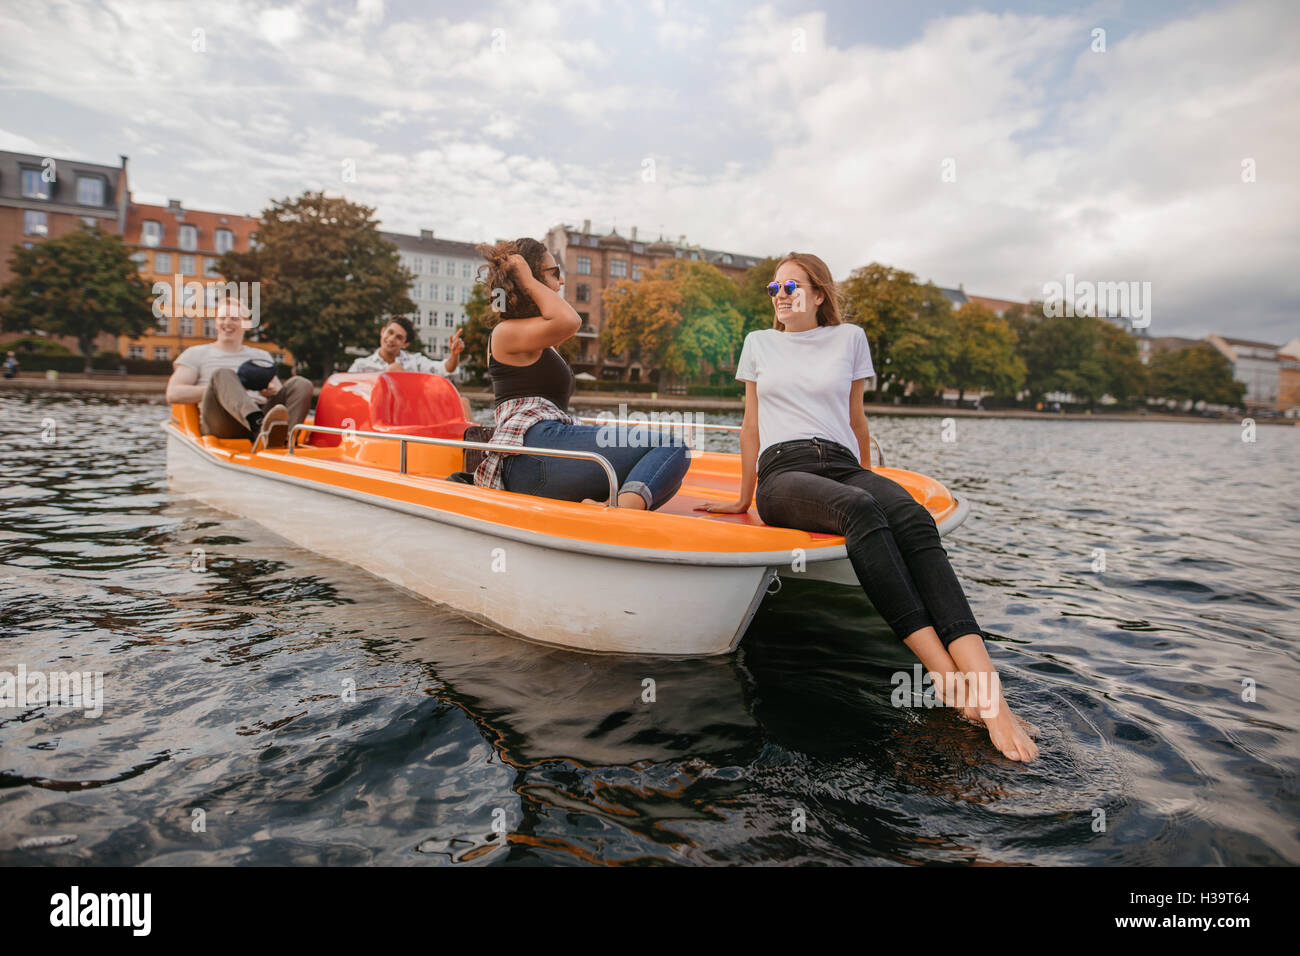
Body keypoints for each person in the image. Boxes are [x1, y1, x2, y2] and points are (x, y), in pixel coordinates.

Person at [697, 253, 1039, 763]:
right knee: (858, 510)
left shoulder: (850, 338)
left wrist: (872, 480)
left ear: (819, 295)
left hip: (842, 463)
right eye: (775, 287)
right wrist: (743, 498)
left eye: (793, 285)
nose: (781, 294)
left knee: (911, 518)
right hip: (783, 472)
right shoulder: (759, 344)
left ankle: (991, 696)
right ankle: (947, 678)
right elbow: (750, 428)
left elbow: (857, 421)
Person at [472, 238, 690, 510]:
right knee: (672, 448)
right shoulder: (505, 332)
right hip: (530, 452)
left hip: (540, 454)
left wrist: (529, 282)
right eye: (555, 273)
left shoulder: (530, 334)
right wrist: (527, 281)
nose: (561, 282)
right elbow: (571, 321)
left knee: (661, 475)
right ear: (531, 275)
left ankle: (606, 508)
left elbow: (561, 321)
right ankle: (619, 516)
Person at [164, 298, 313, 448]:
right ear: (216, 323)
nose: (227, 323)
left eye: (234, 318)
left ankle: (285, 438)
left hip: (262, 411)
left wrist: (271, 392)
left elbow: (279, 390)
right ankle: (259, 425)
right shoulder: (196, 353)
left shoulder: (261, 356)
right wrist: (225, 389)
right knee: (223, 374)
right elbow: (173, 393)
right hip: (222, 421)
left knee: (301, 384)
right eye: (222, 318)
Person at [348, 316, 472, 419]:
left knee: (463, 402)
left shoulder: (415, 361)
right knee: (394, 369)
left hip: (412, 416)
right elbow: (348, 396)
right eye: (390, 332)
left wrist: (454, 354)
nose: (391, 339)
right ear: (382, 331)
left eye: (399, 337)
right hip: (376, 417)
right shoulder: (361, 365)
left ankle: (474, 447)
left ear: (405, 344)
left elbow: (446, 368)